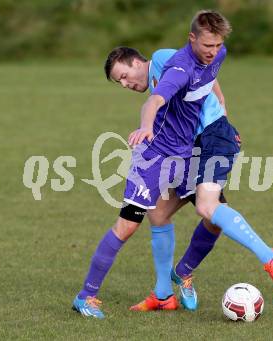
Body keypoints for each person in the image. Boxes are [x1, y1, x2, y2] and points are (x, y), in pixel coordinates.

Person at [105, 46, 238, 312]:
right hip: (182, 152)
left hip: (204, 145)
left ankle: (185, 272)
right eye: (118, 81)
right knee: (157, 213)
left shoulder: (164, 58)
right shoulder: (156, 81)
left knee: (213, 218)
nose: (124, 84)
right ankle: (164, 293)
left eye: (123, 75)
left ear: (135, 61)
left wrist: (222, 111)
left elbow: (203, 69)